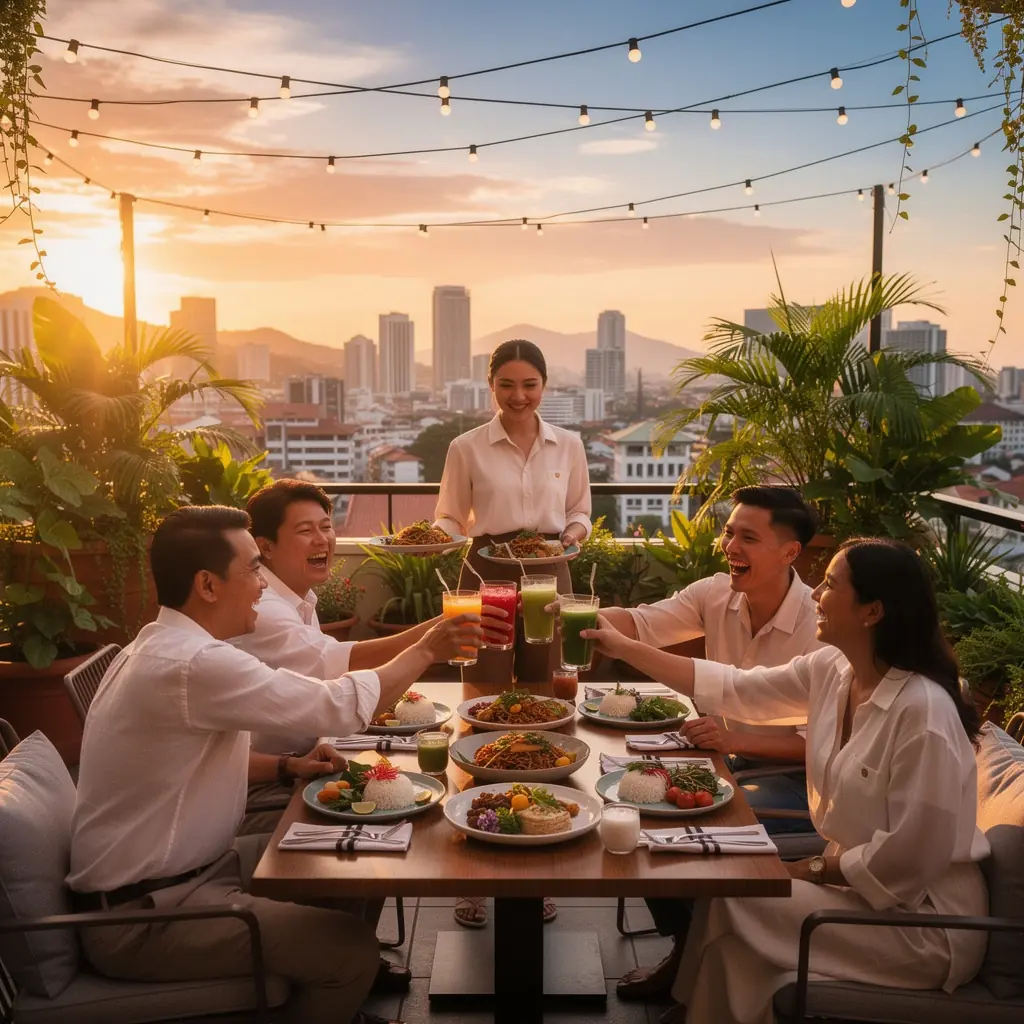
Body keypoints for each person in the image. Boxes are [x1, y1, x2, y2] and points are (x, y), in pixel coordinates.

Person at [67, 506, 485, 1024]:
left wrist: (288, 766)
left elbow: (181, 761)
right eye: (251, 569)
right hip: (147, 917)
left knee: (370, 849)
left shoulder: (160, 648)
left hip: (186, 875)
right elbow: (334, 705)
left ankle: (339, 995)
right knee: (349, 949)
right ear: (207, 585)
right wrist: (426, 649)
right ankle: (340, 984)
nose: (262, 584)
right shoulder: (194, 663)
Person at [581, 538, 988, 1024]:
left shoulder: (922, 714)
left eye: (832, 585)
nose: (816, 593)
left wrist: (807, 871)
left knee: (732, 896)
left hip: (923, 924)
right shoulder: (836, 670)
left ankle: (690, 1005)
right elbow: (733, 687)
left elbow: (908, 860)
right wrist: (624, 647)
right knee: (736, 954)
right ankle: (694, 1010)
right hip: (859, 896)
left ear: (872, 611)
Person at [231, 479, 507, 994]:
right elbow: (339, 670)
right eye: (305, 531)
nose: (323, 540)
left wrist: (432, 638)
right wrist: (430, 641)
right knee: (388, 816)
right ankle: (344, 963)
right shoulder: (264, 610)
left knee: (389, 806)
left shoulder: (297, 597)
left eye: (327, 527)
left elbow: (334, 674)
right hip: (265, 779)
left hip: (297, 757)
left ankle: (351, 959)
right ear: (263, 546)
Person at [610, 485, 824, 1001]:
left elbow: (818, 744)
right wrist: (575, 613)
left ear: (790, 552)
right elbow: (641, 625)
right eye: (729, 532)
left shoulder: (822, 625)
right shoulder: (714, 593)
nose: (731, 545)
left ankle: (688, 962)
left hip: (798, 782)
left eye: (748, 537)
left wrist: (733, 737)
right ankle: (686, 946)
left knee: (681, 826)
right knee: (633, 804)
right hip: (721, 757)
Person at [434, 338, 592, 928]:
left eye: (529, 385)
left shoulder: (568, 443)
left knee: (546, 701)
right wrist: (442, 536)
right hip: (488, 571)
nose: (518, 396)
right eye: (507, 384)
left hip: (550, 569)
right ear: (491, 386)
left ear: (544, 387)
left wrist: (573, 536)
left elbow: (579, 510)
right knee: (483, 703)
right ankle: (476, 862)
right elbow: (450, 515)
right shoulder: (465, 446)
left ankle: (541, 847)